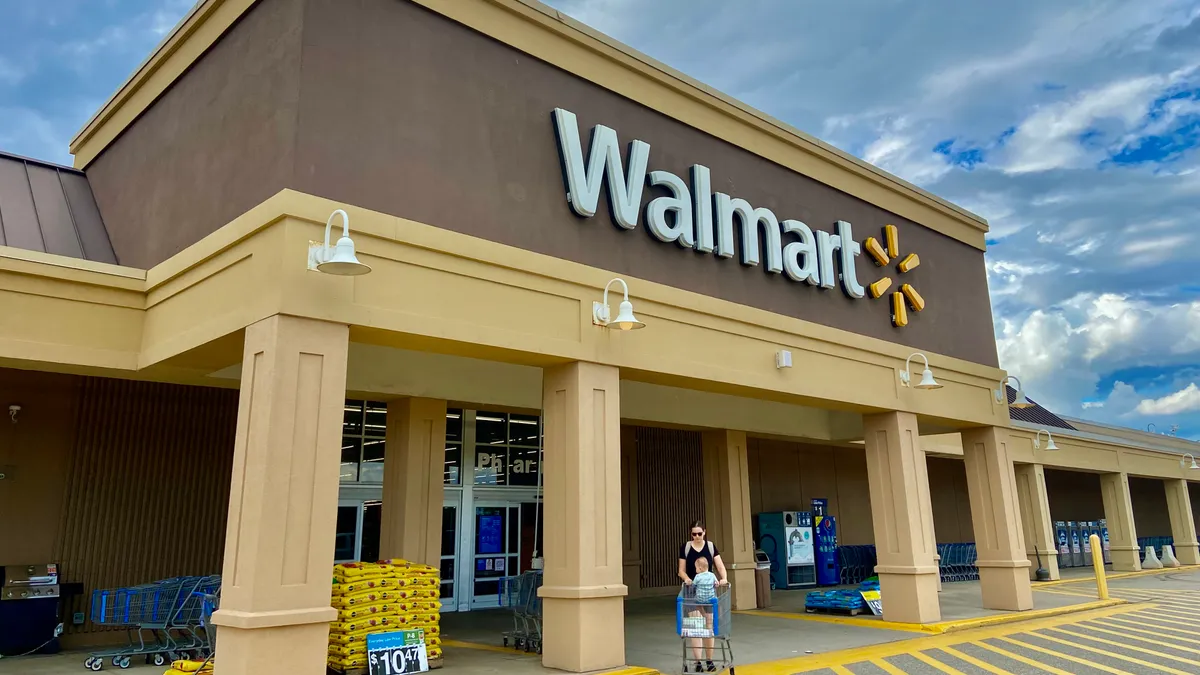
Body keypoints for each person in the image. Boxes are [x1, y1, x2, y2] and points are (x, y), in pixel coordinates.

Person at [678, 521, 728, 672]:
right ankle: (698, 662)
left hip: (708, 593)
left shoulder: (710, 547)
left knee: (709, 626)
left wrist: (723, 578)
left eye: (700, 533)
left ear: (704, 532)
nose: (697, 536)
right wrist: (686, 579)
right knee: (696, 626)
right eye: (694, 534)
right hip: (692, 591)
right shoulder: (686, 548)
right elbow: (681, 570)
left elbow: (720, 566)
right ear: (690, 534)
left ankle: (709, 660)